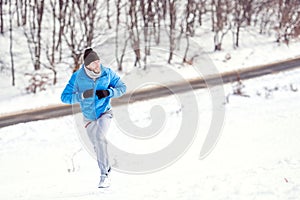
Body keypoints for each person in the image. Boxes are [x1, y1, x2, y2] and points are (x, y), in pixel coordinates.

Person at [61, 48, 126, 188]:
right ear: (87, 65)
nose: (98, 65)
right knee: (97, 145)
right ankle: (107, 166)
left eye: (98, 61)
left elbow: (122, 87)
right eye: (94, 63)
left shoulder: (107, 73)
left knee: (99, 138)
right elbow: (64, 97)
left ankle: (104, 176)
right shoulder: (78, 77)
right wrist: (81, 96)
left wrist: (109, 92)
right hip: (89, 118)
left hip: (105, 113)